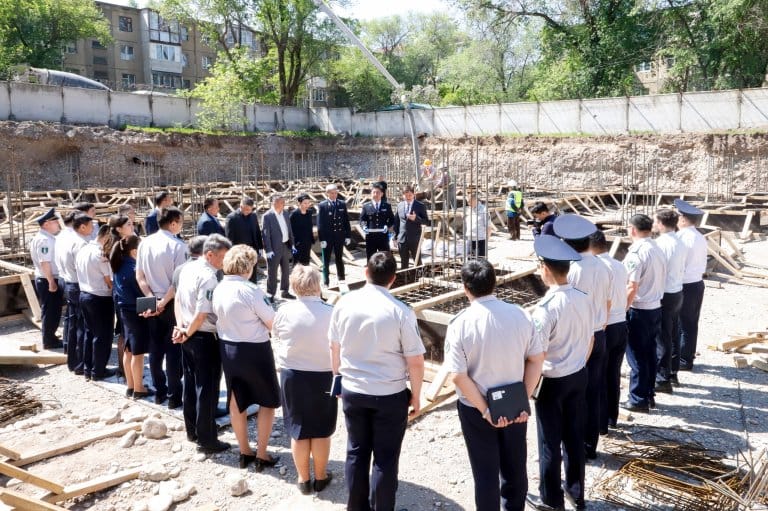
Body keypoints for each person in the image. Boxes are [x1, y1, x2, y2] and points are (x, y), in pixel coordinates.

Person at [329, 252, 425, 511]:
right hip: (389, 392)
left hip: (353, 388)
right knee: (385, 458)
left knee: (356, 452)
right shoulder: (401, 311)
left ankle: (356, 507)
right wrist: (417, 395)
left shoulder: (344, 303)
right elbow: (415, 361)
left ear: (365, 272)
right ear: (393, 279)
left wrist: (338, 378)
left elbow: (334, 347)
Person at [445, 259, 544, 510]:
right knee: (515, 467)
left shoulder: (460, 324)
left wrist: (486, 410)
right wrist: (524, 398)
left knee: (485, 473)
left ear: (465, 287)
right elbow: (536, 359)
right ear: (494, 283)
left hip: (476, 407)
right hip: (514, 405)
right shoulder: (520, 314)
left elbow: (458, 375)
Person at [526, 235, 592, 511]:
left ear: (545, 269)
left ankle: (551, 499)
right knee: (574, 436)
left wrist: (526, 390)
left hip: (552, 381)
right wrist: (578, 363)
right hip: (578, 373)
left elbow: (537, 356)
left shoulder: (545, 309)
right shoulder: (583, 298)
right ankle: (576, 493)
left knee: (549, 442)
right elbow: (591, 339)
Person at [212, 245, 281, 471]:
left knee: (236, 401)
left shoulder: (219, 288)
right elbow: (272, 322)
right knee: (267, 401)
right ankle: (262, 453)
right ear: (248, 267)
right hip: (255, 349)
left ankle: (244, 451)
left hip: (228, 348)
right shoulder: (252, 291)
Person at [272, 266, 337, 495]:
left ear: (293, 285)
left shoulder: (284, 310)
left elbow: (276, 336)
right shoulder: (331, 312)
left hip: (293, 374)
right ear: (318, 285)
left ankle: (303, 478)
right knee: (321, 429)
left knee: (298, 429)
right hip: (323, 374)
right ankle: (320, 477)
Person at [553, 214, 611, 460]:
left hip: (581, 335)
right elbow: (608, 302)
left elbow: (569, 307)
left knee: (574, 393)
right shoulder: (603, 265)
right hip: (599, 332)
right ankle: (589, 445)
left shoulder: (574, 270)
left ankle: (573, 447)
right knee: (594, 389)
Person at [174, 234, 232, 453]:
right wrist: (187, 331)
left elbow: (178, 300)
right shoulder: (209, 277)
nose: (224, 262)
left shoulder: (187, 268)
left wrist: (181, 328)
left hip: (187, 333)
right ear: (210, 255)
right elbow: (202, 313)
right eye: (222, 257)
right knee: (207, 389)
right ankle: (207, 439)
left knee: (191, 385)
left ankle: (193, 431)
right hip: (203, 336)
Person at [136, 206, 188, 409]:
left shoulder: (144, 243)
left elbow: (140, 276)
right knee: (174, 349)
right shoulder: (178, 246)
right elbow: (177, 282)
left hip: (152, 299)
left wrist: (152, 299)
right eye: (180, 222)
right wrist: (164, 302)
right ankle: (174, 395)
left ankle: (160, 391)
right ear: (173, 223)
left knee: (155, 349)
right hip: (171, 302)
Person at [622, 214, 666, 413]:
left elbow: (632, 286)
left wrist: (622, 309)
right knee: (649, 353)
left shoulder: (637, 252)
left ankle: (638, 399)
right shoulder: (657, 248)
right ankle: (648, 394)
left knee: (637, 356)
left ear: (633, 229)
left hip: (639, 309)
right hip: (655, 307)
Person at [589, 231, 628, 432]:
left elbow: (605, 301)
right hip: (621, 322)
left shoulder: (598, 268)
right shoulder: (619, 265)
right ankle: (612, 416)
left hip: (607, 325)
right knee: (613, 373)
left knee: (600, 376)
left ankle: (601, 423)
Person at [110, 235, 153, 399]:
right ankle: (139, 388)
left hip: (124, 312)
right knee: (138, 353)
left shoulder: (119, 265)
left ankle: (130, 386)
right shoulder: (134, 268)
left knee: (128, 350)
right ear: (135, 251)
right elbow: (140, 292)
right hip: (135, 312)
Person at [653, 209, 687, 393]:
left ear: (660, 223)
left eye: (655, 221)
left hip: (665, 292)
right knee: (673, 333)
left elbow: (658, 270)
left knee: (662, 337)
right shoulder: (680, 241)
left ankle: (662, 378)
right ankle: (672, 372)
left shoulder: (661, 244)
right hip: (677, 291)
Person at [75, 225, 115, 381]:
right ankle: (98, 371)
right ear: (107, 237)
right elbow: (108, 280)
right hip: (100, 297)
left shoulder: (83, 249)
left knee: (89, 333)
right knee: (102, 335)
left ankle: (88, 368)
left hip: (85, 294)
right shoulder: (100, 254)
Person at [674, 199, 708, 374]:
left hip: (685, 284)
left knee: (682, 323)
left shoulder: (682, 238)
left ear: (683, 219)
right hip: (696, 283)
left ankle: (684, 359)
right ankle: (687, 355)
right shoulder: (699, 236)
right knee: (691, 322)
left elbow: (678, 264)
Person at [29, 208, 64, 349]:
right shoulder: (45, 240)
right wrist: (51, 282)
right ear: (46, 224)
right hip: (47, 279)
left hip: (46, 278)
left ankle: (50, 336)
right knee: (51, 311)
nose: (57, 223)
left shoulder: (45, 238)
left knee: (51, 309)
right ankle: (49, 340)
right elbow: (45, 262)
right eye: (54, 221)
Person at [262, 194, 295, 302]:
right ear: (274, 203)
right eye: (281, 202)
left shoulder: (285, 213)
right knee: (272, 272)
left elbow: (289, 229)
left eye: (283, 202)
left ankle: (285, 291)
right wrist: (268, 250)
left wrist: (292, 244)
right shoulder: (267, 216)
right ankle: (270, 294)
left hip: (285, 245)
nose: (284, 204)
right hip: (274, 248)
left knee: (286, 270)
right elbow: (266, 235)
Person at [317, 184, 352, 286]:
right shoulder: (322, 205)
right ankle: (326, 281)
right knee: (326, 260)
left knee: (339, 258)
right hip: (327, 238)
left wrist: (348, 235)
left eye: (336, 193)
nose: (334, 195)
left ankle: (341, 279)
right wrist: (322, 239)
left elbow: (346, 221)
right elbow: (320, 224)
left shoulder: (342, 204)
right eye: (332, 193)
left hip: (339, 236)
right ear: (327, 193)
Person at [225, 197, 264, 284]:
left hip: (252, 251)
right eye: (246, 209)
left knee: (253, 276)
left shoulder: (253, 216)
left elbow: (257, 232)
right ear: (241, 206)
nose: (248, 211)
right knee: (241, 276)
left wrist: (260, 247)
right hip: (239, 253)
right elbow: (229, 238)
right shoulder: (232, 218)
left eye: (250, 209)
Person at [54, 211, 77, 358]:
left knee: (69, 315)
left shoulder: (61, 235)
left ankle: (68, 345)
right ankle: (73, 348)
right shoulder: (72, 237)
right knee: (75, 316)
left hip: (63, 277)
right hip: (72, 280)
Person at [394, 186, 429, 270]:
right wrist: (395, 237)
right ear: (403, 195)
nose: (408, 197)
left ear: (414, 194)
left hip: (415, 239)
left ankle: (419, 276)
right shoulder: (400, 205)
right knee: (403, 262)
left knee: (417, 261)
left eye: (410, 195)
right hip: (402, 239)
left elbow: (426, 222)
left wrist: (416, 218)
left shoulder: (420, 206)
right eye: (406, 195)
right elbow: (397, 222)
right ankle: (405, 277)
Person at [359, 183, 395, 261]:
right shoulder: (366, 206)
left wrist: (387, 226)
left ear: (382, 194)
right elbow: (362, 219)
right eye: (374, 192)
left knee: (385, 257)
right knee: (371, 258)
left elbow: (392, 219)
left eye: (378, 192)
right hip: (370, 237)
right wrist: (364, 226)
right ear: (371, 194)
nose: (375, 194)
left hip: (383, 236)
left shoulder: (387, 206)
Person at [290, 194, 315, 267]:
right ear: (299, 203)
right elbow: (289, 229)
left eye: (308, 203)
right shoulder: (294, 214)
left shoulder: (309, 212)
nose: (307, 205)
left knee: (306, 261)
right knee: (297, 263)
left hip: (307, 241)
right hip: (297, 243)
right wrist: (292, 243)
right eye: (305, 203)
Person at [465, 193, 490, 258]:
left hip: (480, 240)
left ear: (475, 200)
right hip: (469, 239)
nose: (468, 203)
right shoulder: (469, 210)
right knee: (470, 261)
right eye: (467, 202)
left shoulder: (484, 210)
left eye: (469, 201)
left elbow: (488, 227)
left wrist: (487, 240)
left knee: (480, 260)